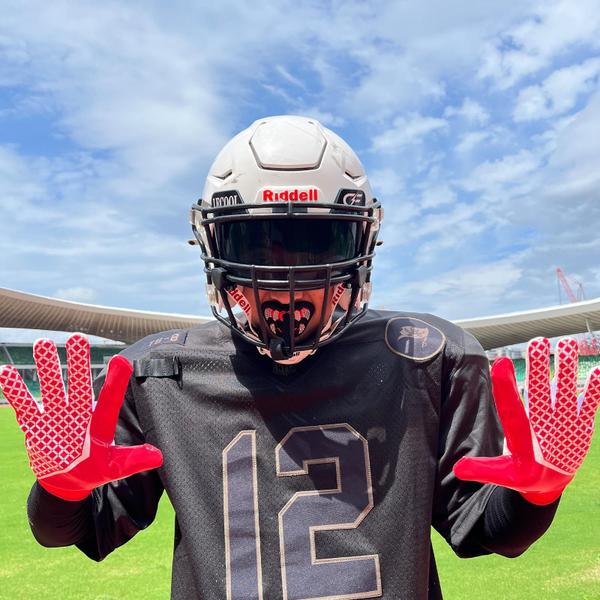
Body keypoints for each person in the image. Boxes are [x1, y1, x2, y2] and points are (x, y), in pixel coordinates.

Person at [1, 115, 599, 600]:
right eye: (256, 241)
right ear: (214, 248)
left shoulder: (427, 360)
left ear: (360, 247)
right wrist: (62, 490)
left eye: (315, 243)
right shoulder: (159, 374)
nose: (284, 277)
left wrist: (535, 495)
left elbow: (487, 531)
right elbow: (80, 531)